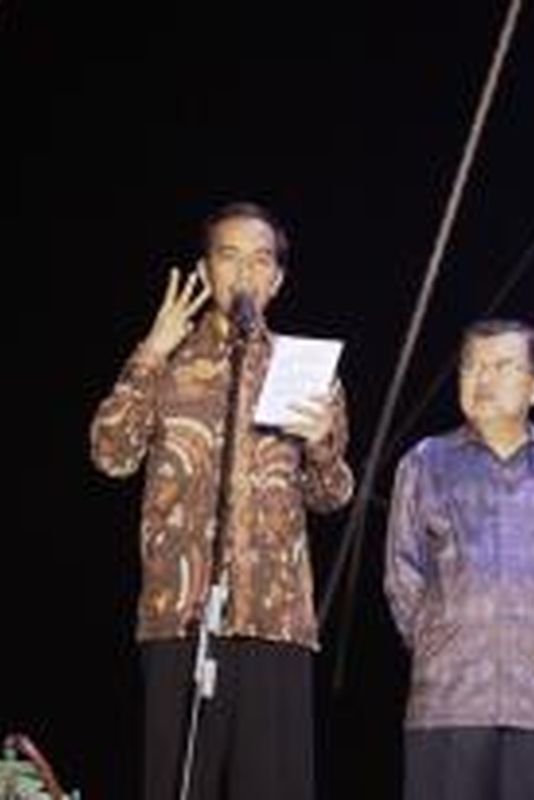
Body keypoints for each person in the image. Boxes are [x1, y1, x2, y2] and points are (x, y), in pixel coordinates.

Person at [90, 201, 354, 800]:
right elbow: (111, 455)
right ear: (206, 271)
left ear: (278, 280)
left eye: (261, 261)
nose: (245, 273)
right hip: (179, 610)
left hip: (274, 619)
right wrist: (150, 352)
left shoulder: (306, 371)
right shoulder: (169, 362)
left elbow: (332, 495)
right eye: (229, 256)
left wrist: (321, 448)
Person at [384, 318, 534, 800]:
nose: (482, 379)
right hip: (448, 704)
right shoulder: (425, 463)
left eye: (501, 367)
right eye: (471, 367)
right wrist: (437, 643)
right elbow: (402, 576)